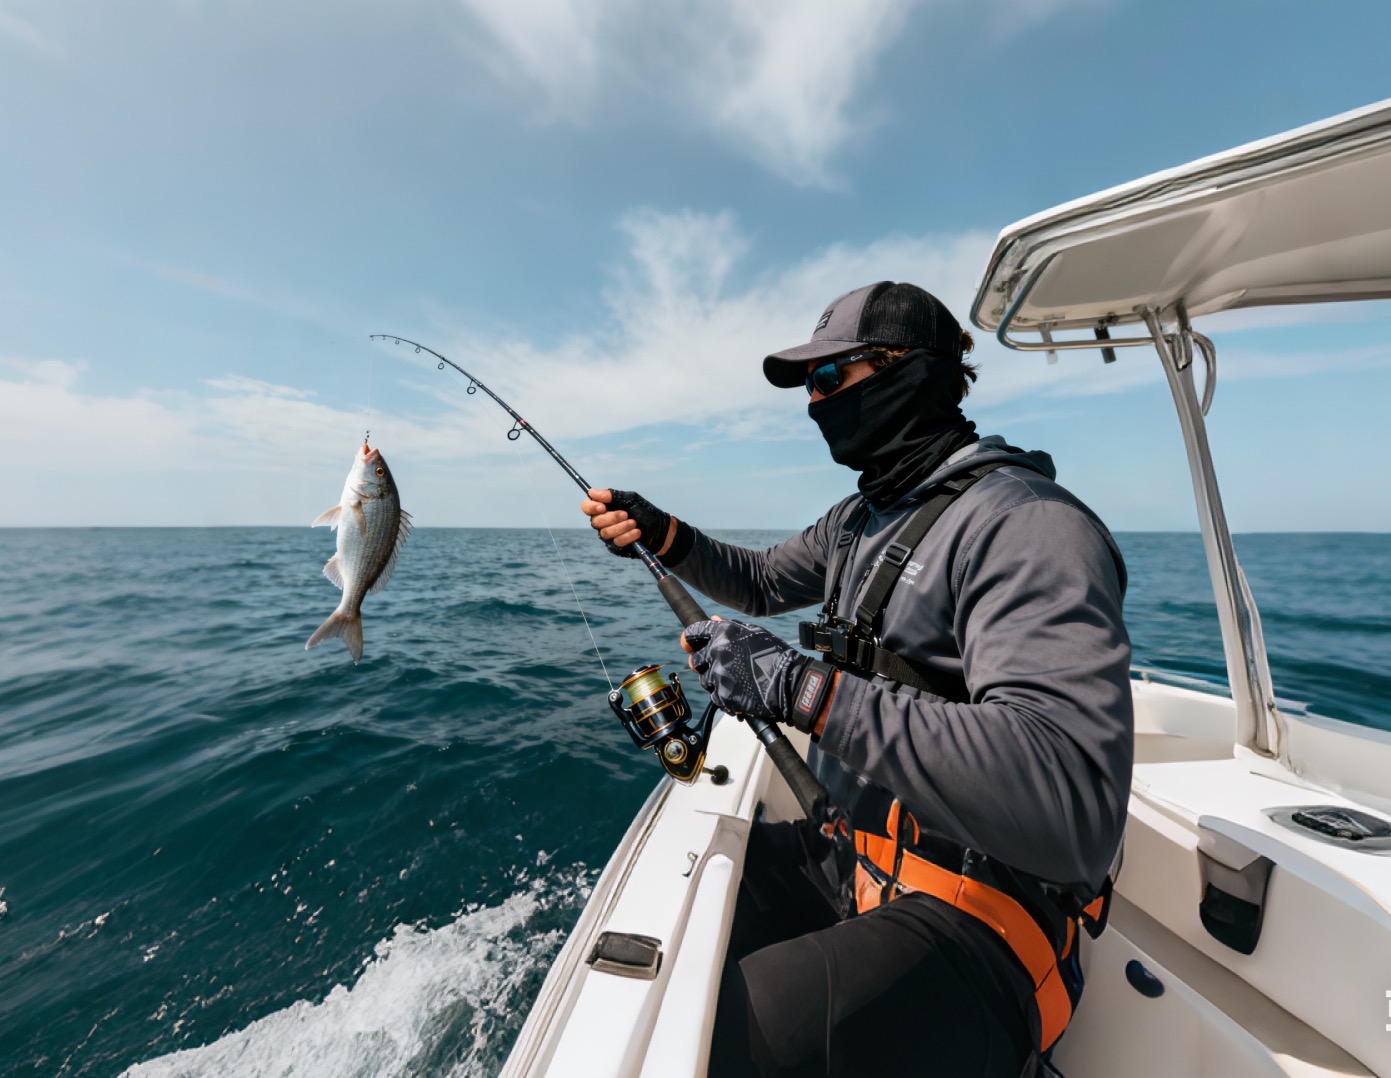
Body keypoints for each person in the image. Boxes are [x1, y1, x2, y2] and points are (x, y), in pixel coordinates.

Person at [582, 281, 1133, 1077]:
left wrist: (803, 690)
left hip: (978, 913)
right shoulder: (859, 520)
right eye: (809, 386)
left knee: (737, 1035)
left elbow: (1068, 802)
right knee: (672, 943)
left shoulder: (1028, 524)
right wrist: (659, 532)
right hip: (852, 853)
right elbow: (760, 580)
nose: (816, 402)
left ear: (914, 372)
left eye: (832, 378)